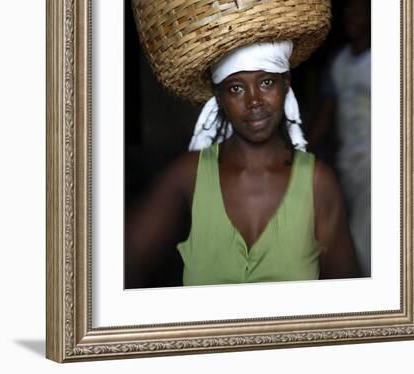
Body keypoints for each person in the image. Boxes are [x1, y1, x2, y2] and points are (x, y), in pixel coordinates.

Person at [126, 41, 360, 286]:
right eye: (236, 88)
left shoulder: (317, 184)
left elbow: (352, 298)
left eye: (266, 82)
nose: (253, 100)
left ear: (286, 84)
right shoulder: (189, 176)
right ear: (219, 98)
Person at [308, 0, 371, 277]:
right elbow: (326, 112)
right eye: (348, 14)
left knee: (364, 230)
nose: (352, 20)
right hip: (350, 159)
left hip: (380, 159)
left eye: (359, 13)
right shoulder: (339, 63)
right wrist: (303, 146)